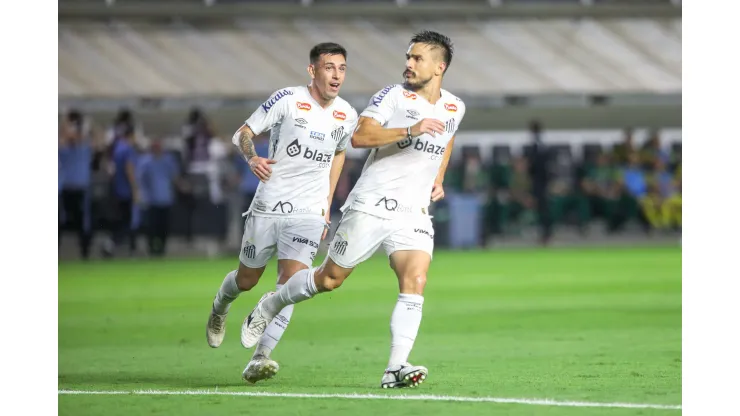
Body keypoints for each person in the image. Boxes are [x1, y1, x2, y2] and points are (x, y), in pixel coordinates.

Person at [241, 30, 464, 389]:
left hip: (412, 212)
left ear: (439, 67)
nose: (408, 64)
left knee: (416, 281)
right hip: (371, 204)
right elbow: (360, 137)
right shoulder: (393, 96)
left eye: (417, 58)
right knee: (329, 280)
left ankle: (395, 367)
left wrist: (439, 176)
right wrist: (411, 128)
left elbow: (447, 134)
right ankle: (272, 304)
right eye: (407, 57)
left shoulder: (455, 105)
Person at [205, 43, 358, 384]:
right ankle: (220, 307)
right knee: (247, 280)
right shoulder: (287, 99)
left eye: (342, 68)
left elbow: (338, 155)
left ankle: (261, 356)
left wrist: (327, 205)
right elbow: (243, 133)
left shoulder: (347, 114)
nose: (336, 75)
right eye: (329, 67)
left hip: (309, 210)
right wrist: (252, 158)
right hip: (269, 204)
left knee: (293, 284)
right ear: (312, 70)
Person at [138, 139, 180, 256]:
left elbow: (174, 177)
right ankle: (151, 248)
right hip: (151, 200)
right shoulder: (145, 162)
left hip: (166, 199)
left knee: (164, 226)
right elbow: (141, 180)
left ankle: (162, 248)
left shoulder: (168, 161)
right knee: (152, 227)